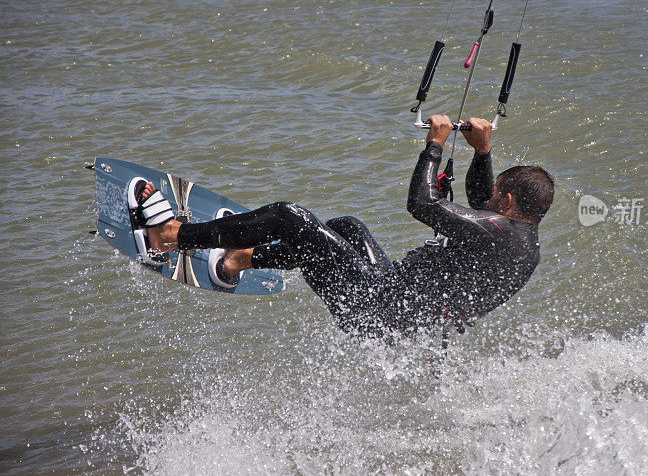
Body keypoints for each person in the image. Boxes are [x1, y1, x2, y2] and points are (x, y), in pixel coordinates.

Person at [131, 115, 554, 338]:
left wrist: (435, 146)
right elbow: (483, 206)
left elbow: (422, 203)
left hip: (378, 313)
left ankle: (169, 236)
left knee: (289, 217)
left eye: (498, 193)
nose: (489, 202)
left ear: (510, 202)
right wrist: (483, 154)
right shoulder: (522, 242)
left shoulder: (499, 233)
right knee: (345, 228)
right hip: (399, 311)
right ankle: (238, 261)